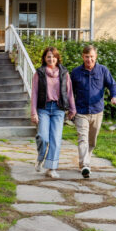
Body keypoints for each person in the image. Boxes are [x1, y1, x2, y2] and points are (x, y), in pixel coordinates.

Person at [70, 45, 116, 178]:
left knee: (92, 141)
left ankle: (85, 161)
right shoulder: (76, 72)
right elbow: (69, 92)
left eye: (91, 57)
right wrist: (70, 108)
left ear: (95, 57)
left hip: (97, 111)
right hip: (81, 111)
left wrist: (114, 96)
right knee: (82, 138)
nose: (89, 59)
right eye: (86, 57)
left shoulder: (103, 70)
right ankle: (85, 165)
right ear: (82, 57)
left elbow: (112, 85)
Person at [31, 47, 76, 178]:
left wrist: (72, 109)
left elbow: (69, 92)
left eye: (53, 57)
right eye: (48, 57)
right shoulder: (39, 73)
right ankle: (40, 158)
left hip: (58, 109)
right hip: (43, 108)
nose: (51, 59)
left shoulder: (64, 73)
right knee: (43, 137)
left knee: (55, 139)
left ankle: (51, 168)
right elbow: (34, 93)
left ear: (57, 58)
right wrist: (33, 112)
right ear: (44, 58)